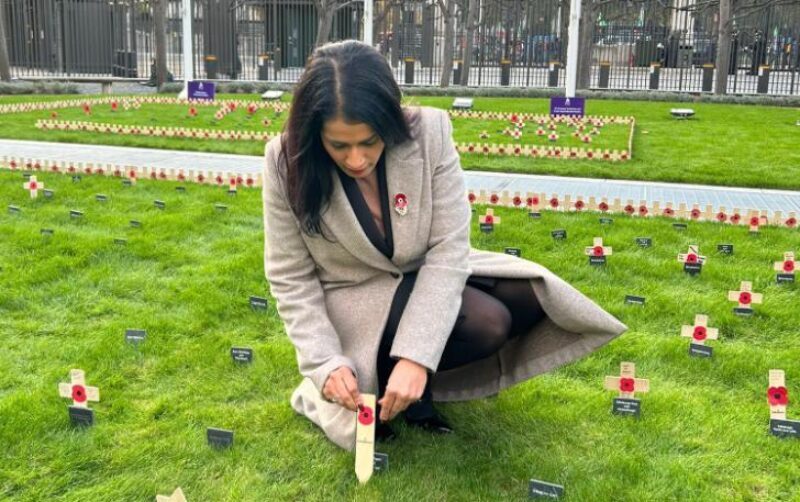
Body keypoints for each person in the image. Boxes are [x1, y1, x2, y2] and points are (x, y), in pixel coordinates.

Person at [262, 40, 626, 450]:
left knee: (529, 300)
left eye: (369, 141)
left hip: (424, 275)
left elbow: (449, 247)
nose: (357, 160)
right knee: (487, 321)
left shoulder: (430, 133)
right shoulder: (284, 162)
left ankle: (415, 385)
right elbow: (290, 277)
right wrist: (323, 362)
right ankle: (369, 387)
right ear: (314, 133)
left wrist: (418, 354)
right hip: (355, 298)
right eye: (339, 145)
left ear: (390, 120)